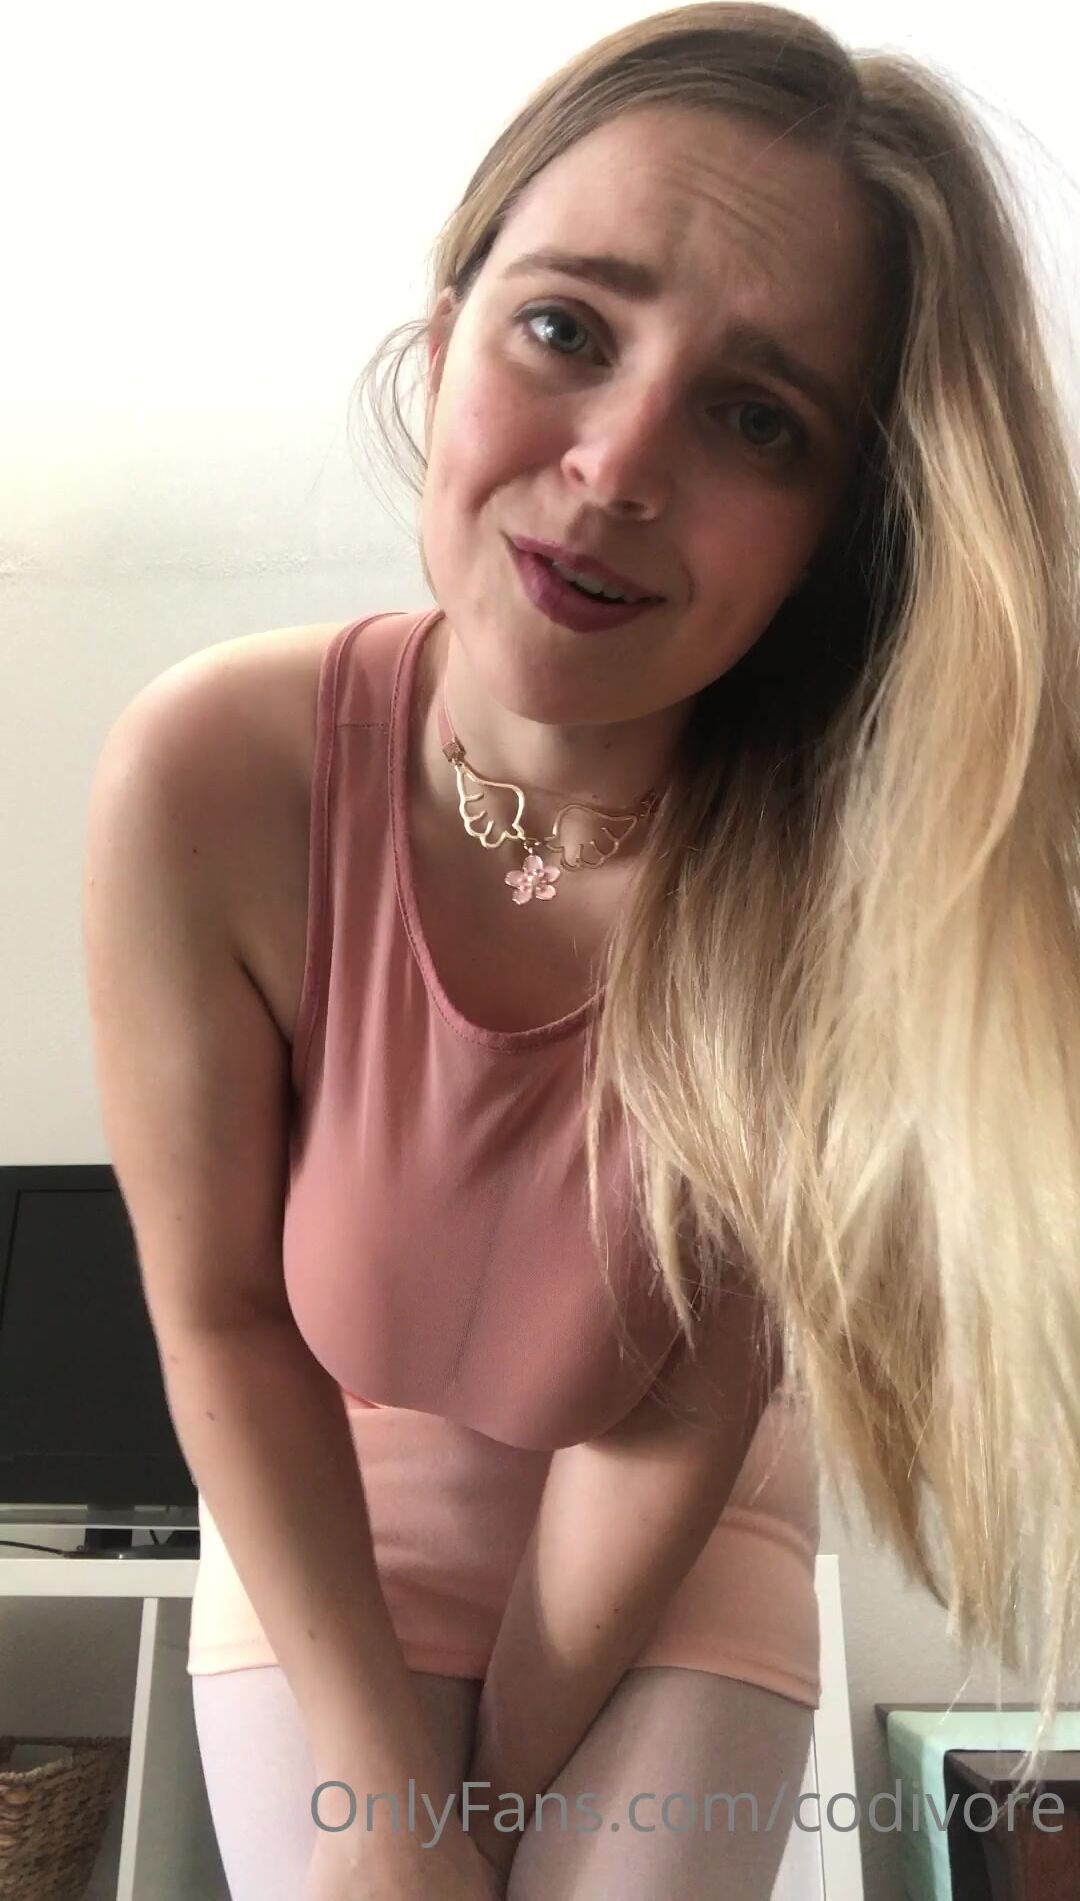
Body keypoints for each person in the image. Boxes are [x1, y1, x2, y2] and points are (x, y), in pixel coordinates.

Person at [81, 5, 1080, 1897]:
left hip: (676, 1532)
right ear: (445, 333)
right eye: (567, 328)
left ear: (835, 530)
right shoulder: (205, 776)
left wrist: (489, 1806)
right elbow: (221, 1316)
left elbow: (679, 1413)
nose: (618, 466)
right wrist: (393, 1807)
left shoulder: (838, 882)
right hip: (328, 1500)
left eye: (758, 417)